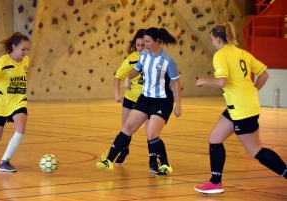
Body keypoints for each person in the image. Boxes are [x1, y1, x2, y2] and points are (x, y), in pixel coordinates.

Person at [194, 22, 287, 194]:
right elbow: (264, 74)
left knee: (255, 150)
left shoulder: (221, 55)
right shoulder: (242, 53)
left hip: (242, 109)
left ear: (217, 39)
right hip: (239, 106)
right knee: (214, 138)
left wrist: (203, 81)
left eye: (212, 39)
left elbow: (223, 82)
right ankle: (215, 183)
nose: (212, 42)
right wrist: (252, 91)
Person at [97, 27, 182, 176]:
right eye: (144, 42)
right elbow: (136, 70)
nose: (146, 44)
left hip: (162, 101)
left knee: (151, 133)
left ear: (157, 41)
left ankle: (166, 165)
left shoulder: (168, 60)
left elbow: (177, 82)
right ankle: (109, 160)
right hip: (145, 98)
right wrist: (128, 78)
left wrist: (178, 106)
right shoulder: (143, 56)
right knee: (127, 127)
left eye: (148, 41)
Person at [0, 32, 30, 172]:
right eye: (23, 49)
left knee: (21, 128)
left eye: (27, 49)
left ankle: (4, 161)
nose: (25, 52)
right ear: (14, 47)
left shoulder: (26, 61)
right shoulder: (2, 63)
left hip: (18, 101)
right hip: (0, 104)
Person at [113, 29, 149, 165]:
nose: (140, 48)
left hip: (148, 100)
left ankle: (154, 159)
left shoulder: (155, 58)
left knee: (150, 131)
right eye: (138, 45)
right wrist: (117, 94)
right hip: (131, 99)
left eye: (143, 44)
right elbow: (117, 77)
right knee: (126, 129)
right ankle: (124, 150)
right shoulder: (131, 59)